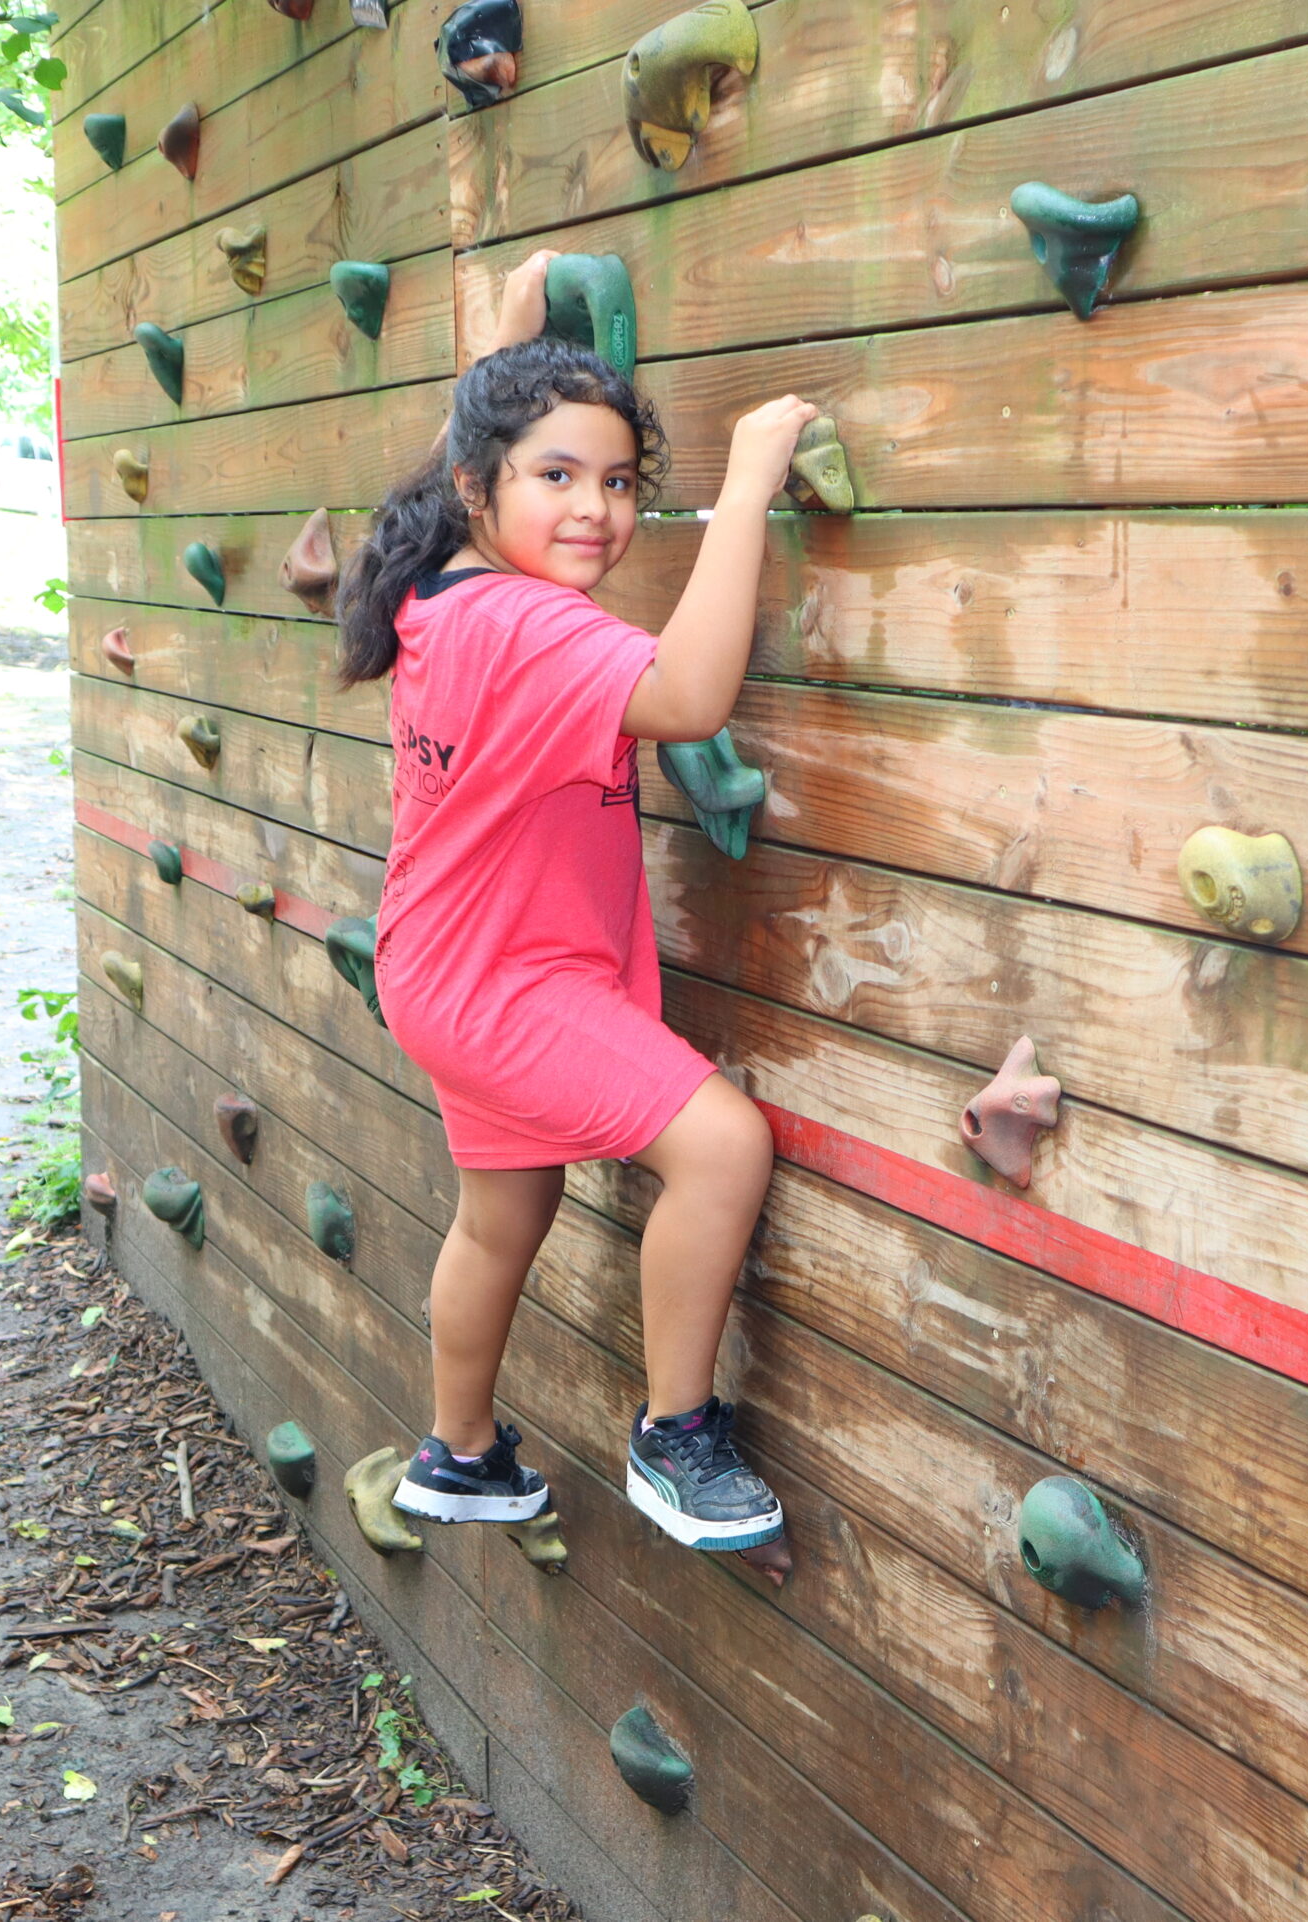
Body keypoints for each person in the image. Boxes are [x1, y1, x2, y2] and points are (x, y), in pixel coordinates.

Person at [332, 248, 816, 1556]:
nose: (596, 509)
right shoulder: (527, 626)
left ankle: (462, 1455)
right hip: (510, 983)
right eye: (556, 477)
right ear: (480, 485)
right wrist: (745, 487)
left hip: (440, 964)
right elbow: (691, 699)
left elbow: (461, 447)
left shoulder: (438, 580)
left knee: (505, 1212)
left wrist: (502, 343)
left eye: (618, 481)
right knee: (721, 1146)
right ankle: (675, 1435)